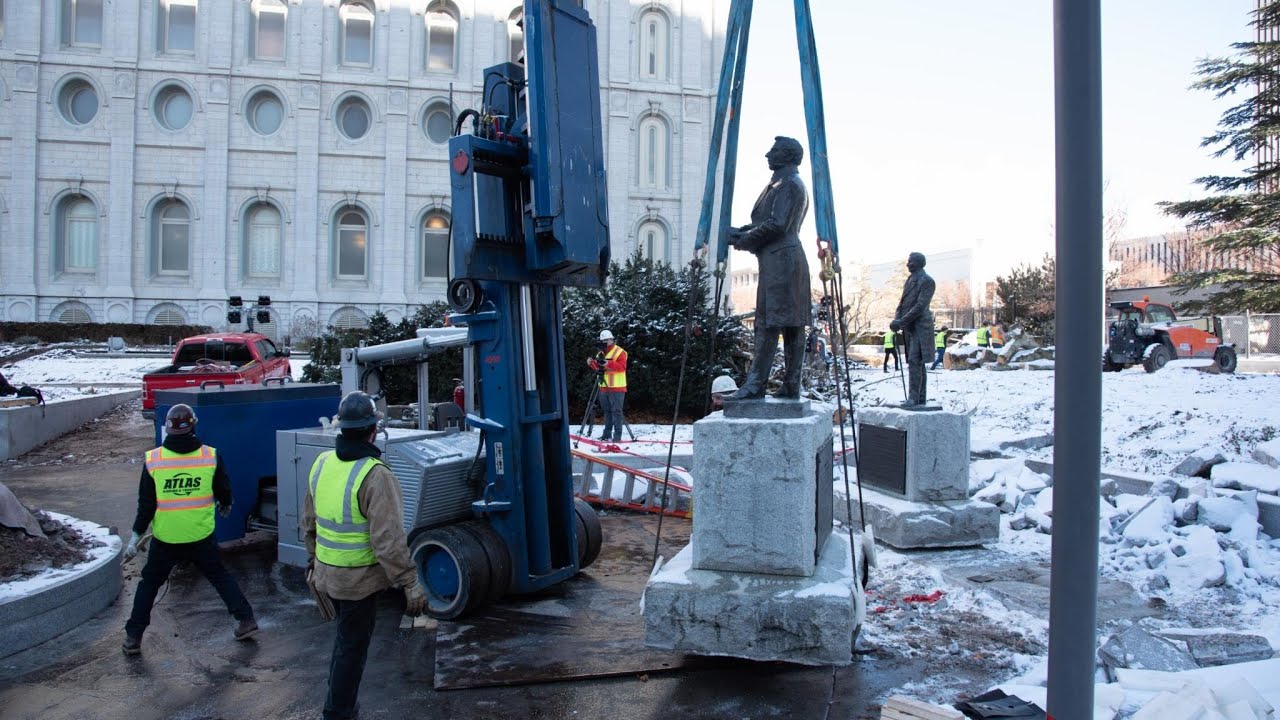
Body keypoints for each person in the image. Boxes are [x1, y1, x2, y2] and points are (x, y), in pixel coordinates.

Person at [304, 391, 427, 720]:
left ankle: (337, 707)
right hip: (358, 581)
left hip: (329, 576)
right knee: (351, 649)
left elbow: (308, 522)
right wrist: (410, 582)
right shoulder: (376, 475)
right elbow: (388, 540)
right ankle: (338, 713)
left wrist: (313, 562)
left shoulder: (321, 464)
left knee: (345, 642)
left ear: (342, 428)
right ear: (373, 430)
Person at [122, 404, 257, 655]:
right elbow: (224, 491)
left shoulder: (154, 460)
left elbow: (146, 504)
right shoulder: (209, 456)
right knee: (220, 577)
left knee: (149, 585)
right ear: (193, 425)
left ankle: (133, 637)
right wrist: (225, 503)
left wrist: (135, 536)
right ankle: (246, 620)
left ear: (168, 429)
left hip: (166, 539)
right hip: (200, 536)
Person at [725, 136, 812, 401]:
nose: (767, 154)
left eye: (773, 150)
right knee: (786, 324)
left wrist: (743, 241)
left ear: (786, 155)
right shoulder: (781, 184)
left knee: (772, 324)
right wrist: (740, 233)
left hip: (783, 263)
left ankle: (757, 385)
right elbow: (767, 222)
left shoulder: (790, 185)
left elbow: (777, 225)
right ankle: (788, 384)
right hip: (779, 261)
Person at [890, 252, 936, 407]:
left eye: (910, 262)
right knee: (915, 362)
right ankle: (918, 397)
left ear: (919, 263)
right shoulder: (910, 280)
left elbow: (920, 307)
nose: (907, 264)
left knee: (915, 360)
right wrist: (897, 319)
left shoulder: (927, 281)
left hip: (921, 327)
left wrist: (901, 321)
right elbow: (902, 304)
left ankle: (914, 398)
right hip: (909, 327)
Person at [587, 330, 628, 441]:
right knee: (607, 411)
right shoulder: (601, 353)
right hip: (603, 387)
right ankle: (607, 434)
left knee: (617, 412)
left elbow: (622, 367)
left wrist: (608, 363)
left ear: (612, 339)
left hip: (617, 387)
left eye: (607, 340)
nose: (605, 342)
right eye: (603, 341)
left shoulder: (620, 352)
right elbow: (599, 369)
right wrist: (592, 363)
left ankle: (617, 436)